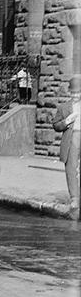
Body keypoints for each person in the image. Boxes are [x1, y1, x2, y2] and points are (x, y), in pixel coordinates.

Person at [52, 74, 81, 220]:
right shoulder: (64, 107)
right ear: (69, 92)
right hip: (72, 138)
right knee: (71, 168)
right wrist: (66, 122)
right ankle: (75, 198)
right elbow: (55, 125)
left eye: (78, 92)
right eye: (73, 92)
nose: (76, 95)